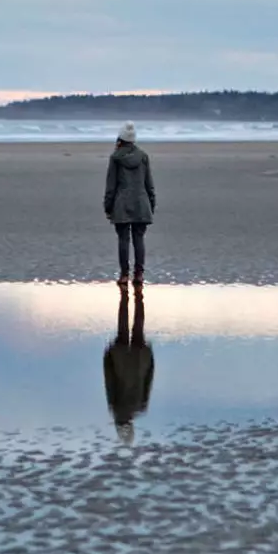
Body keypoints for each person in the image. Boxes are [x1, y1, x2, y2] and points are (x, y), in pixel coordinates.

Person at [102, 122, 156, 285]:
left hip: (121, 203)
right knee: (139, 239)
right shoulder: (143, 156)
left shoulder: (115, 158)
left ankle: (124, 274)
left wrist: (107, 206)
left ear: (120, 139)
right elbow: (149, 184)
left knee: (123, 239)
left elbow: (111, 186)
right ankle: (139, 274)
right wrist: (151, 204)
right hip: (141, 202)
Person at [102, 284, 154, 442]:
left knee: (138, 327)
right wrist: (108, 357)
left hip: (139, 362)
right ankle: (127, 297)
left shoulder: (140, 407)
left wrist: (150, 358)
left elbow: (148, 379)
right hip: (123, 361)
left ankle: (136, 297)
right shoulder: (118, 408)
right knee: (123, 328)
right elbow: (110, 380)